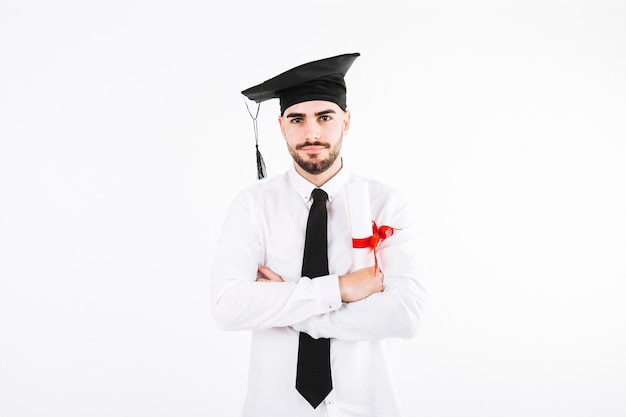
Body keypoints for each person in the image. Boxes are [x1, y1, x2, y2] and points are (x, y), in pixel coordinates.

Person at [210, 52, 426, 417]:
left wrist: (294, 312)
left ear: (346, 121)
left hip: (367, 407)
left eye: (325, 118)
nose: (311, 133)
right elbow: (228, 306)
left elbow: (405, 314)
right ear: (281, 126)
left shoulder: (387, 204)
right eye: (297, 119)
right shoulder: (252, 206)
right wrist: (342, 289)